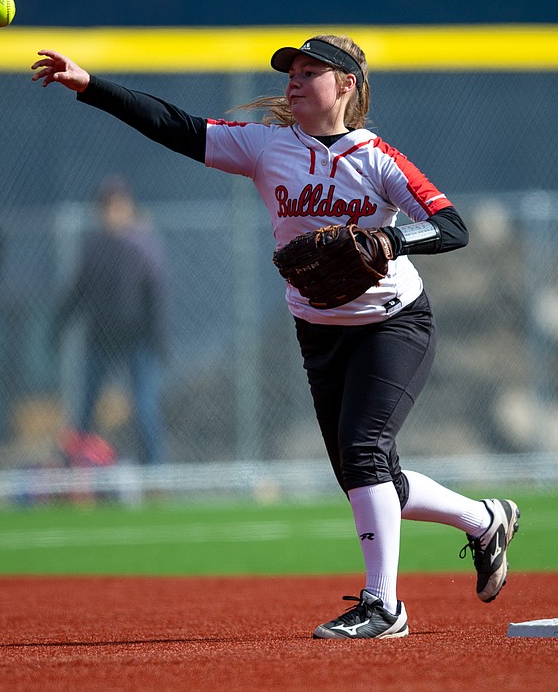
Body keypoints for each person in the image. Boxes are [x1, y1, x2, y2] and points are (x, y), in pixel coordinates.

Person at [31, 35, 520, 639]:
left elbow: (451, 226)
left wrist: (391, 240)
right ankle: (485, 520)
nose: (293, 79)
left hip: (393, 322)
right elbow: (176, 127)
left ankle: (384, 606)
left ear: (346, 85)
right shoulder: (266, 146)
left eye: (310, 71)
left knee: (363, 455)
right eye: (291, 69)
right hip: (318, 329)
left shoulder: (377, 158)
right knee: (368, 475)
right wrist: (92, 87)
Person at [52, 174, 170, 466]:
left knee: (145, 408)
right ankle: (75, 468)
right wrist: (58, 327)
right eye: (106, 206)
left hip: (139, 338)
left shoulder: (144, 246)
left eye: (118, 205)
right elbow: (77, 291)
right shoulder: (94, 248)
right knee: (86, 407)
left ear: (128, 207)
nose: (112, 212)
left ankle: (155, 472)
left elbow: (157, 296)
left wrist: (161, 339)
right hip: (101, 338)